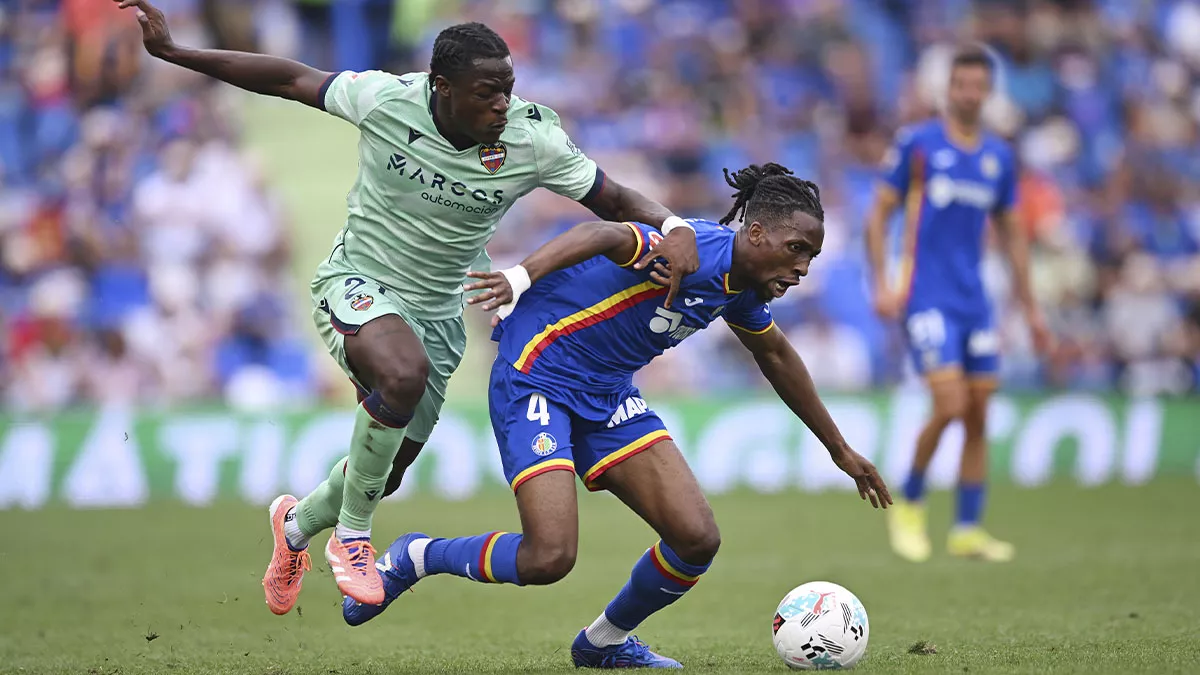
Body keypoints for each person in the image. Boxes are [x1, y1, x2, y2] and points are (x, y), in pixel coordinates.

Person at [113, 1, 702, 612]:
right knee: (400, 375)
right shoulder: (386, 100)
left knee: (385, 470)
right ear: (441, 88)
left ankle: (294, 528)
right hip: (359, 278)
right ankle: (353, 538)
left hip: (439, 311)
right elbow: (288, 78)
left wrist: (676, 224)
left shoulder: (533, 141)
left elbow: (613, 197)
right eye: (487, 93)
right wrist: (177, 52)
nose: (502, 104)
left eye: (508, 90)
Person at [343, 164, 892, 669]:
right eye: (795, 248)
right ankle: (417, 556)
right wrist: (521, 277)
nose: (800, 268)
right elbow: (605, 233)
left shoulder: (743, 290)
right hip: (538, 376)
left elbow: (775, 355)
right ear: (755, 234)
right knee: (548, 557)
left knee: (696, 538)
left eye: (811, 258)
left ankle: (603, 642)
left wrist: (839, 450)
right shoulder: (695, 248)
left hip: (606, 395)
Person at [864, 47, 1052, 563]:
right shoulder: (919, 144)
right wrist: (882, 282)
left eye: (978, 86)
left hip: (976, 302)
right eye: (961, 84)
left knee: (978, 415)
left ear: (989, 92)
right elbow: (877, 216)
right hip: (927, 297)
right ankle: (911, 502)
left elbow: (1014, 236)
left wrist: (1031, 309)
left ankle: (967, 528)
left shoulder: (999, 157)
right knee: (948, 405)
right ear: (948, 89)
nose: (970, 94)